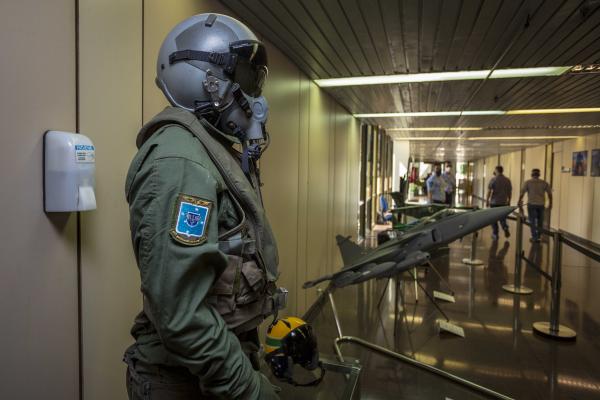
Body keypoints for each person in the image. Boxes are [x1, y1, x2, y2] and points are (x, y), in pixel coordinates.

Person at [123, 14, 283, 399]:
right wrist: (249, 390)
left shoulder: (204, 152)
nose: (255, 99)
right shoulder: (180, 163)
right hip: (183, 381)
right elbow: (182, 317)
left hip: (206, 367)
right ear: (207, 81)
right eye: (245, 79)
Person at [519, 168, 553, 242]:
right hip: (541, 204)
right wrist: (550, 203)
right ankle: (539, 236)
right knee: (540, 221)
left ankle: (534, 237)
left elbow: (522, 193)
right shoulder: (544, 183)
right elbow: (550, 194)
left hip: (531, 204)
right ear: (539, 174)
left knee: (532, 221)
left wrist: (519, 201)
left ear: (532, 174)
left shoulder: (527, 182)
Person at [486, 165, 512, 240]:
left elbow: (489, 191)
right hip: (503, 202)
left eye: (495, 170)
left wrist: (487, 200)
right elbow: (509, 192)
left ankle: (495, 233)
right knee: (502, 217)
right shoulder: (507, 180)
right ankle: (505, 228)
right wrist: (509, 200)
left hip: (494, 202)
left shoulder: (493, 179)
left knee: (493, 218)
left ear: (497, 171)